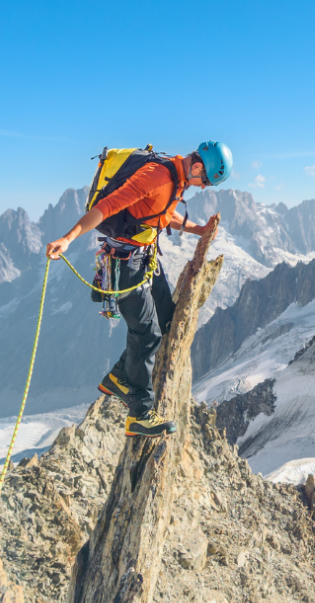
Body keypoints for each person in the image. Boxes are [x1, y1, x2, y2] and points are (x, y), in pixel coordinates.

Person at [46, 141, 233, 437]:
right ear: (197, 166)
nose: (205, 187)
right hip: (125, 264)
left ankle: (120, 376)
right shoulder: (157, 175)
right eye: (206, 181)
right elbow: (106, 207)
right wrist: (68, 239)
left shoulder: (175, 177)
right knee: (147, 333)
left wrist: (198, 230)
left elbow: (158, 212)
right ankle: (139, 412)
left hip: (145, 256)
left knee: (166, 316)